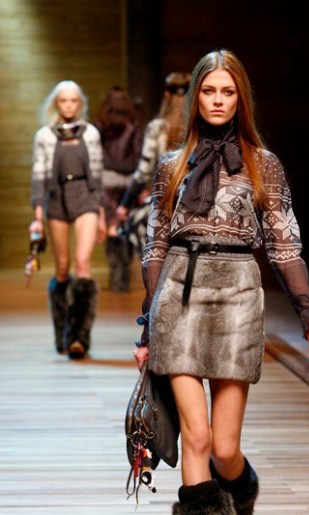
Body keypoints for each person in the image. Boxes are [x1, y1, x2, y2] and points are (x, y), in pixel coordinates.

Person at [133, 50, 309, 515]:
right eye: (208, 91)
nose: (217, 100)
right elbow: (155, 244)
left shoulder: (263, 164)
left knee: (224, 449)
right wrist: (148, 321)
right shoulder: (171, 165)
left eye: (227, 91)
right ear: (195, 97)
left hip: (239, 296)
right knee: (194, 439)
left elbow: (284, 243)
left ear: (240, 98)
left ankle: (239, 493)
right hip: (179, 294)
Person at [30, 80, 106, 359]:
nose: (69, 106)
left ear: (80, 104)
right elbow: (39, 176)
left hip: (86, 195)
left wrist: (101, 214)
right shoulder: (44, 136)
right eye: (64, 101)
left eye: (74, 101)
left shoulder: (91, 133)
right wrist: (37, 218)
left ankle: (79, 337)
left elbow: (97, 174)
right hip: (57, 197)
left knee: (82, 263)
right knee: (62, 268)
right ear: (56, 104)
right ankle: (62, 331)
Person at [115, 71, 191, 253]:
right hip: (196, 202)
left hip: (165, 203)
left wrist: (124, 204)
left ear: (166, 94)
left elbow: (144, 171)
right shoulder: (197, 127)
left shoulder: (157, 128)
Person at [95, 86, 143, 292]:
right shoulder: (132, 127)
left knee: (113, 229)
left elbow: (97, 157)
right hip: (128, 183)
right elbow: (138, 158)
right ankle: (121, 278)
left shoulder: (100, 127)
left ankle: (117, 278)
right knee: (124, 229)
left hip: (107, 183)